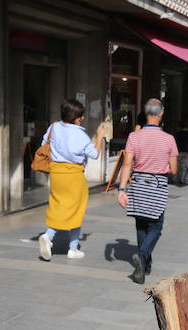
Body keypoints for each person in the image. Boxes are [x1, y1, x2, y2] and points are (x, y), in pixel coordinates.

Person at [117, 98, 178, 284]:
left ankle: (144, 265)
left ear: (145, 113)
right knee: (156, 226)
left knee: (141, 224)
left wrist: (121, 189)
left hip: (137, 184)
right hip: (157, 185)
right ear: (161, 114)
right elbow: (173, 170)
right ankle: (142, 255)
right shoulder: (169, 139)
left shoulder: (134, 137)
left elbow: (127, 163)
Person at [38, 99, 105, 261]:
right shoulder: (80, 135)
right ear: (76, 117)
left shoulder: (53, 127)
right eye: (80, 115)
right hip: (74, 175)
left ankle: (58, 240)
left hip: (56, 174)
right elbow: (94, 154)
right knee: (77, 209)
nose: (82, 118)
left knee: (57, 205)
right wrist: (99, 137)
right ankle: (62, 242)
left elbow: (43, 144)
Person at [174, 120, 188, 185]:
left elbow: (175, 143)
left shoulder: (178, 134)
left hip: (179, 152)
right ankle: (187, 179)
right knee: (187, 166)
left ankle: (177, 178)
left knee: (178, 166)